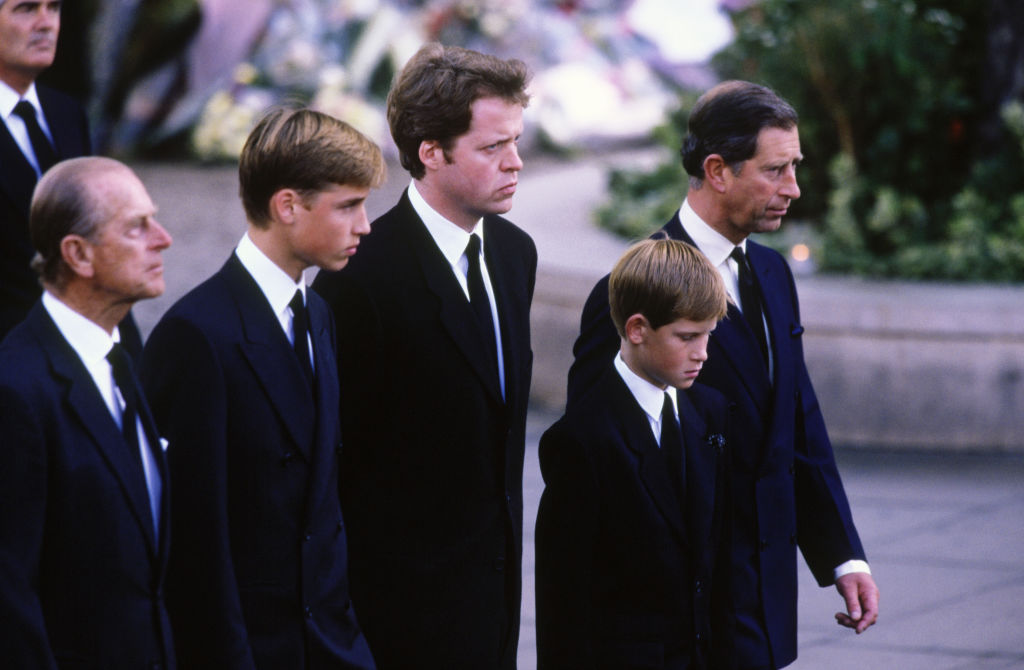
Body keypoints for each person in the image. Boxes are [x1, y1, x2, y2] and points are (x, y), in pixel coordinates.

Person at [568, 80, 879, 670]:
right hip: (682, 622)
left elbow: (797, 421)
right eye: (775, 170)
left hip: (765, 604)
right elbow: (596, 468)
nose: (794, 187)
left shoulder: (774, 273)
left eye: (795, 167)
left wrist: (843, 557)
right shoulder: (630, 288)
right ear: (717, 171)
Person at [312, 43, 535, 669]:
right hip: (397, 621)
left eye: (516, 141)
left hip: (494, 612)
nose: (516, 162)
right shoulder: (358, 278)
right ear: (431, 152)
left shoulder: (514, 254)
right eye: (493, 147)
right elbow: (334, 469)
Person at [140, 107, 384, 670]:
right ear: (287, 205)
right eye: (348, 206)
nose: (365, 225)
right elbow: (194, 542)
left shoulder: (318, 314)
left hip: (330, 644)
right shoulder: (195, 336)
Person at [0, 156, 174, 668]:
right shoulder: (16, 390)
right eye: (137, 227)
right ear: (77, 254)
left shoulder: (119, 360)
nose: (163, 239)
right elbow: (10, 598)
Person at [536, 239, 735, 670]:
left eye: (708, 335)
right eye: (687, 337)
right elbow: (563, 603)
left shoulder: (711, 411)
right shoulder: (581, 440)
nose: (702, 353)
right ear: (637, 329)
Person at [0, 0, 143, 350]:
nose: (46, 23)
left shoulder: (65, 114)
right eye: (26, 9)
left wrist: (129, 351)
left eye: (54, 8)